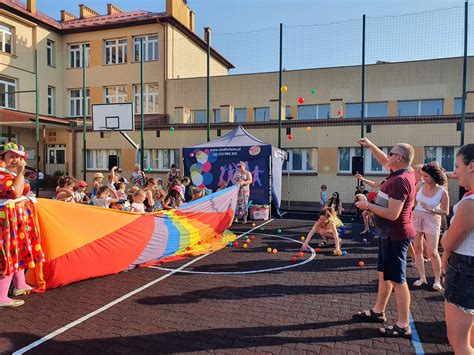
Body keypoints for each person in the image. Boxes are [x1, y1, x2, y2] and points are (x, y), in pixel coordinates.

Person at [354, 138, 416, 338]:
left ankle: (403, 324)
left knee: (398, 280)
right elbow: (384, 160)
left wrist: (367, 205)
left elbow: (392, 214)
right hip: (387, 234)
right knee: (384, 274)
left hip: (395, 236)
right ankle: (378, 311)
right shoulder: (399, 172)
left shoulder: (400, 180)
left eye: (391, 153)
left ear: (399, 158)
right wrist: (371, 146)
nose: (387, 156)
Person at [0, 142, 45, 308]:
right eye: (11, 156)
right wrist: (20, 173)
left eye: (18, 157)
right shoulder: (2, 175)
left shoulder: (11, 174)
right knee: (9, 255)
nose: (15, 160)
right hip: (5, 224)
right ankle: (2, 297)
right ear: (2, 158)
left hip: (16, 222)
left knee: (18, 252)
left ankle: (20, 285)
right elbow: (15, 192)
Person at [441, 144, 474, 354]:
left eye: (458, 166)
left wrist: (445, 235)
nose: (455, 172)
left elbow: (448, 243)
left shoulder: (470, 204)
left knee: (458, 341)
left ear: (472, 166)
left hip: (465, 270)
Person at [412, 162, 449, 291]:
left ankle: (437, 280)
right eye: (422, 175)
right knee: (417, 248)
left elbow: (446, 211)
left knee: (432, 252)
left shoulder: (442, 192)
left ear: (434, 176)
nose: (423, 178)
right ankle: (422, 278)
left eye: (426, 176)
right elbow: (412, 198)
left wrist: (432, 209)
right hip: (416, 218)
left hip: (432, 220)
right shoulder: (420, 184)